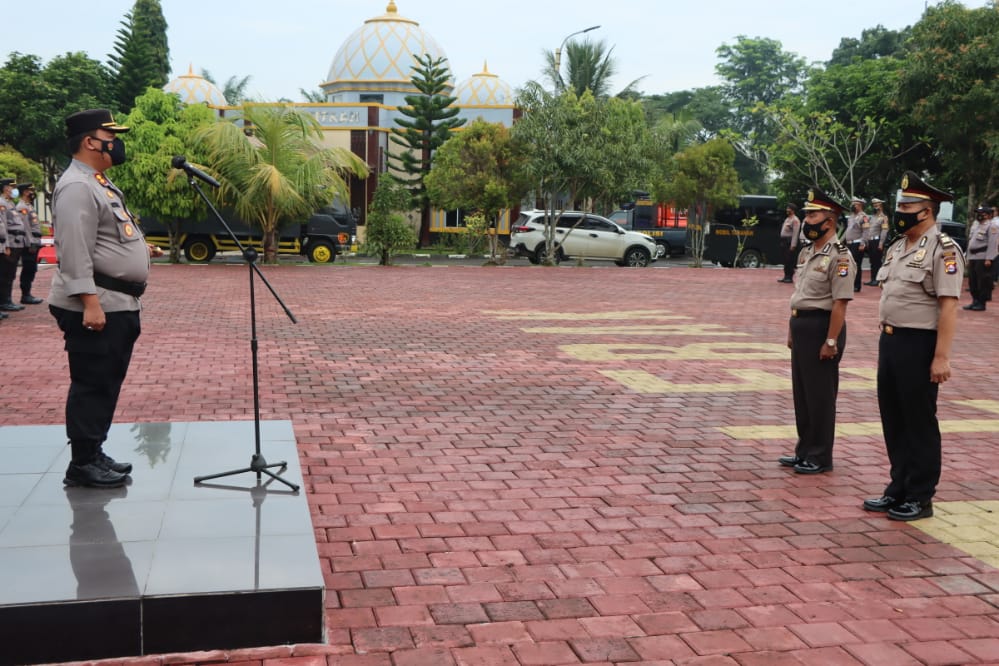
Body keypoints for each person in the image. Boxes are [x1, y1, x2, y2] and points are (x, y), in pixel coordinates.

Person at [49, 108, 163, 489]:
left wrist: (141, 251)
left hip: (116, 302)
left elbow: (104, 237)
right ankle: (82, 463)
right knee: (92, 383)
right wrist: (90, 302)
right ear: (89, 142)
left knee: (106, 381)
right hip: (97, 303)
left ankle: (93, 450)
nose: (116, 144)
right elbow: (73, 249)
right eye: (110, 137)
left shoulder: (96, 182)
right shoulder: (77, 186)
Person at [863, 171, 964, 521]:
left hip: (919, 344)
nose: (900, 212)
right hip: (890, 341)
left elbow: (948, 306)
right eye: (900, 206)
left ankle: (920, 496)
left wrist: (941, 357)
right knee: (893, 418)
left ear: (927, 211)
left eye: (907, 207)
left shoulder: (943, 249)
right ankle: (899, 487)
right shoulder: (897, 246)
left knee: (918, 421)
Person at [778, 187, 855, 474]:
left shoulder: (840, 256)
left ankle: (820, 456)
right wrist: (791, 328)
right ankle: (804, 450)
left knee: (820, 396)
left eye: (813, 215)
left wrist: (831, 340)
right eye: (807, 214)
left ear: (830, 221)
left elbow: (840, 303)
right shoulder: (808, 252)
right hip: (802, 326)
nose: (807, 220)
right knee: (803, 395)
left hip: (822, 327)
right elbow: (800, 295)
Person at [963, 204, 998, 311]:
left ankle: (981, 303)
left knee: (982, 282)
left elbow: (993, 244)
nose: (979, 215)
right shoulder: (976, 225)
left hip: (983, 257)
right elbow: (971, 243)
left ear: (988, 215)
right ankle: (975, 301)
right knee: (972, 281)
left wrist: (989, 258)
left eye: (981, 213)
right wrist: (968, 258)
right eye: (978, 213)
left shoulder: (992, 226)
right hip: (973, 257)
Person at [0, 178, 26, 312]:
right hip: (9, 242)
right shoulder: (2, 203)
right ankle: (4, 301)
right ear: (5, 188)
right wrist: (6, 245)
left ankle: (7, 300)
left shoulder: (10, 203)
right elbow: (3, 225)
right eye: (12, 187)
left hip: (16, 242)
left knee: (10, 274)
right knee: (5, 274)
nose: (14, 190)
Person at [15, 183, 43, 304]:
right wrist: (31, 243)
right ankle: (25, 295)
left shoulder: (28, 206)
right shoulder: (22, 207)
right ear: (25, 192)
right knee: (28, 268)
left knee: (32, 268)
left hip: (34, 241)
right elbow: (25, 227)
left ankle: (27, 294)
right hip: (29, 244)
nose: (33, 193)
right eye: (31, 191)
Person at [842, 197, 869, 292]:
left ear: (860, 205)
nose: (852, 206)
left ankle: (856, 285)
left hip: (857, 243)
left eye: (854, 204)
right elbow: (848, 230)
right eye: (852, 204)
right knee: (846, 264)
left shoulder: (864, 217)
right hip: (849, 244)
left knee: (855, 265)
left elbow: (866, 231)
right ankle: (848, 284)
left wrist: (863, 243)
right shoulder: (851, 216)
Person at [864, 198, 889, 286]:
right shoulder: (871, 217)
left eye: (877, 205)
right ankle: (873, 279)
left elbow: (884, 231)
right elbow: (867, 229)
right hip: (870, 241)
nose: (875, 206)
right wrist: (866, 241)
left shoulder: (884, 218)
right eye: (874, 205)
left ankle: (878, 280)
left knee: (877, 261)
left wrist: (881, 243)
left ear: (881, 206)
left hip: (877, 241)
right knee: (872, 261)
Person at [777, 203, 801, 283]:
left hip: (789, 242)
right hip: (784, 241)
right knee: (785, 259)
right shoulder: (787, 219)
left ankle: (789, 277)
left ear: (793, 210)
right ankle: (786, 276)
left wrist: (793, 245)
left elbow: (795, 233)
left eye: (789, 208)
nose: (787, 210)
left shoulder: (795, 220)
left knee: (789, 260)